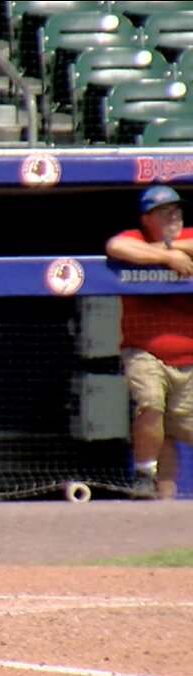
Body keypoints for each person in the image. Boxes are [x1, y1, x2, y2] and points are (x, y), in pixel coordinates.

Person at [104, 184, 193, 500]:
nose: (174, 216)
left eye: (177, 210)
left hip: (189, 357)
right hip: (146, 350)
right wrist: (168, 256)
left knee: (172, 429)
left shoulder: (188, 236)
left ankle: (164, 503)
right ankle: (144, 475)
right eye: (164, 212)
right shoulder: (135, 239)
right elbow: (116, 247)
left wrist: (176, 249)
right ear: (147, 218)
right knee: (150, 405)